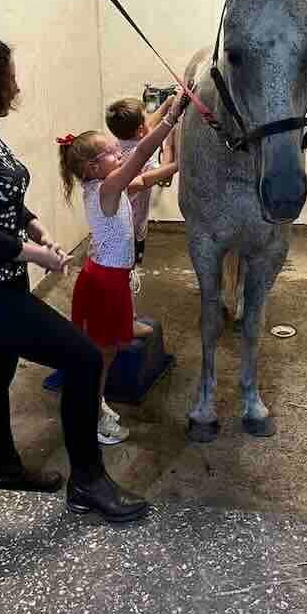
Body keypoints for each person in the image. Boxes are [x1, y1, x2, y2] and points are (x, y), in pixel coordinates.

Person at [0, 31, 147, 522]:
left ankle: (4, 471)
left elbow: (3, 197)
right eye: (8, 76)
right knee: (84, 358)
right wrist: (35, 254)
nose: (16, 85)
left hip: (2, 279)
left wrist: (35, 226)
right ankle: (88, 481)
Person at [57, 91, 186, 445]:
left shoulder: (106, 185)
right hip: (105, 281)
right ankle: (94, 414)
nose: (120, 155)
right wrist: (172, 117)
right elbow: (140, 155)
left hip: (105, 274)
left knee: (109, 343)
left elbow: (142, 179)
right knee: (105, 350)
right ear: (92, 167)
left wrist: (178, 165)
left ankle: (96, 400)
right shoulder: (107, 187)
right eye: (113, 154)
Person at [105, 97, 179, 266]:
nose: (149, 122)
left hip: (116, 225)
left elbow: (149, 126)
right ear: (139, 130)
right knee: (127, 266)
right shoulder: (141, 158)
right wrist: (169, 144)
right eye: (145, 119)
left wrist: (167, 104)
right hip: (130, 229)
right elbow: (164, 175)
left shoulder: (119, 145)